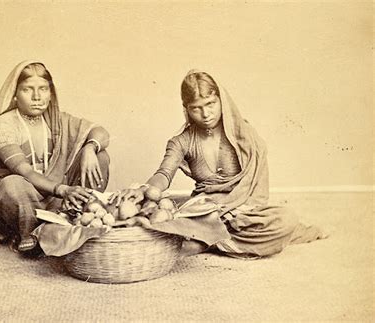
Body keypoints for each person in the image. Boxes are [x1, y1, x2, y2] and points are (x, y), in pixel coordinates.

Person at [110, 70, 325, 258]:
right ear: (186, 109)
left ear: (221, 99)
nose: (205, 114)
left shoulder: (244, 135)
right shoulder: (181, 141)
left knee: (285, 219)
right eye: (196, 108)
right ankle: (211, 237)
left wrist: (237, 211)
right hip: (205, 210)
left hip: (243, 209)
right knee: (163, 214)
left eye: (210, 104)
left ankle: (207, 242)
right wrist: (146, 189)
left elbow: (259, 189)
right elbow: (164, 174)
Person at [0, 61, 110, 253]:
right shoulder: (2, 126)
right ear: (15, 94)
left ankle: (77, 216)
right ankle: (30, 234)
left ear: (51, 93)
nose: (37, 97)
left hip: (57, 198)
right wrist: (63, 189)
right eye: (27, 90)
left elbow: (100, 132)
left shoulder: (57, 120)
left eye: (43, 89)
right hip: (16, 205)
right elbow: (25, 171)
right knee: (13, 184)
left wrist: (90, 148)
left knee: (100, 156)